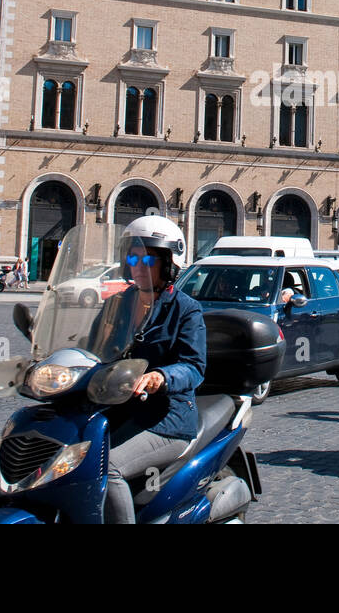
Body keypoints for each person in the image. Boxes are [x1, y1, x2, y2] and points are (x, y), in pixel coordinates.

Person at [102, 215, 207, 524]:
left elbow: (194, 367)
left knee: (106, 467)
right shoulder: (118, 304)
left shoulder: (186, 309)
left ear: (169, 264)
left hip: (167, 416)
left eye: (148, 258)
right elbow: (92, 346)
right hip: (118, 408)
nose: (139, 265)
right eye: (133, 257)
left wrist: (160, 377)